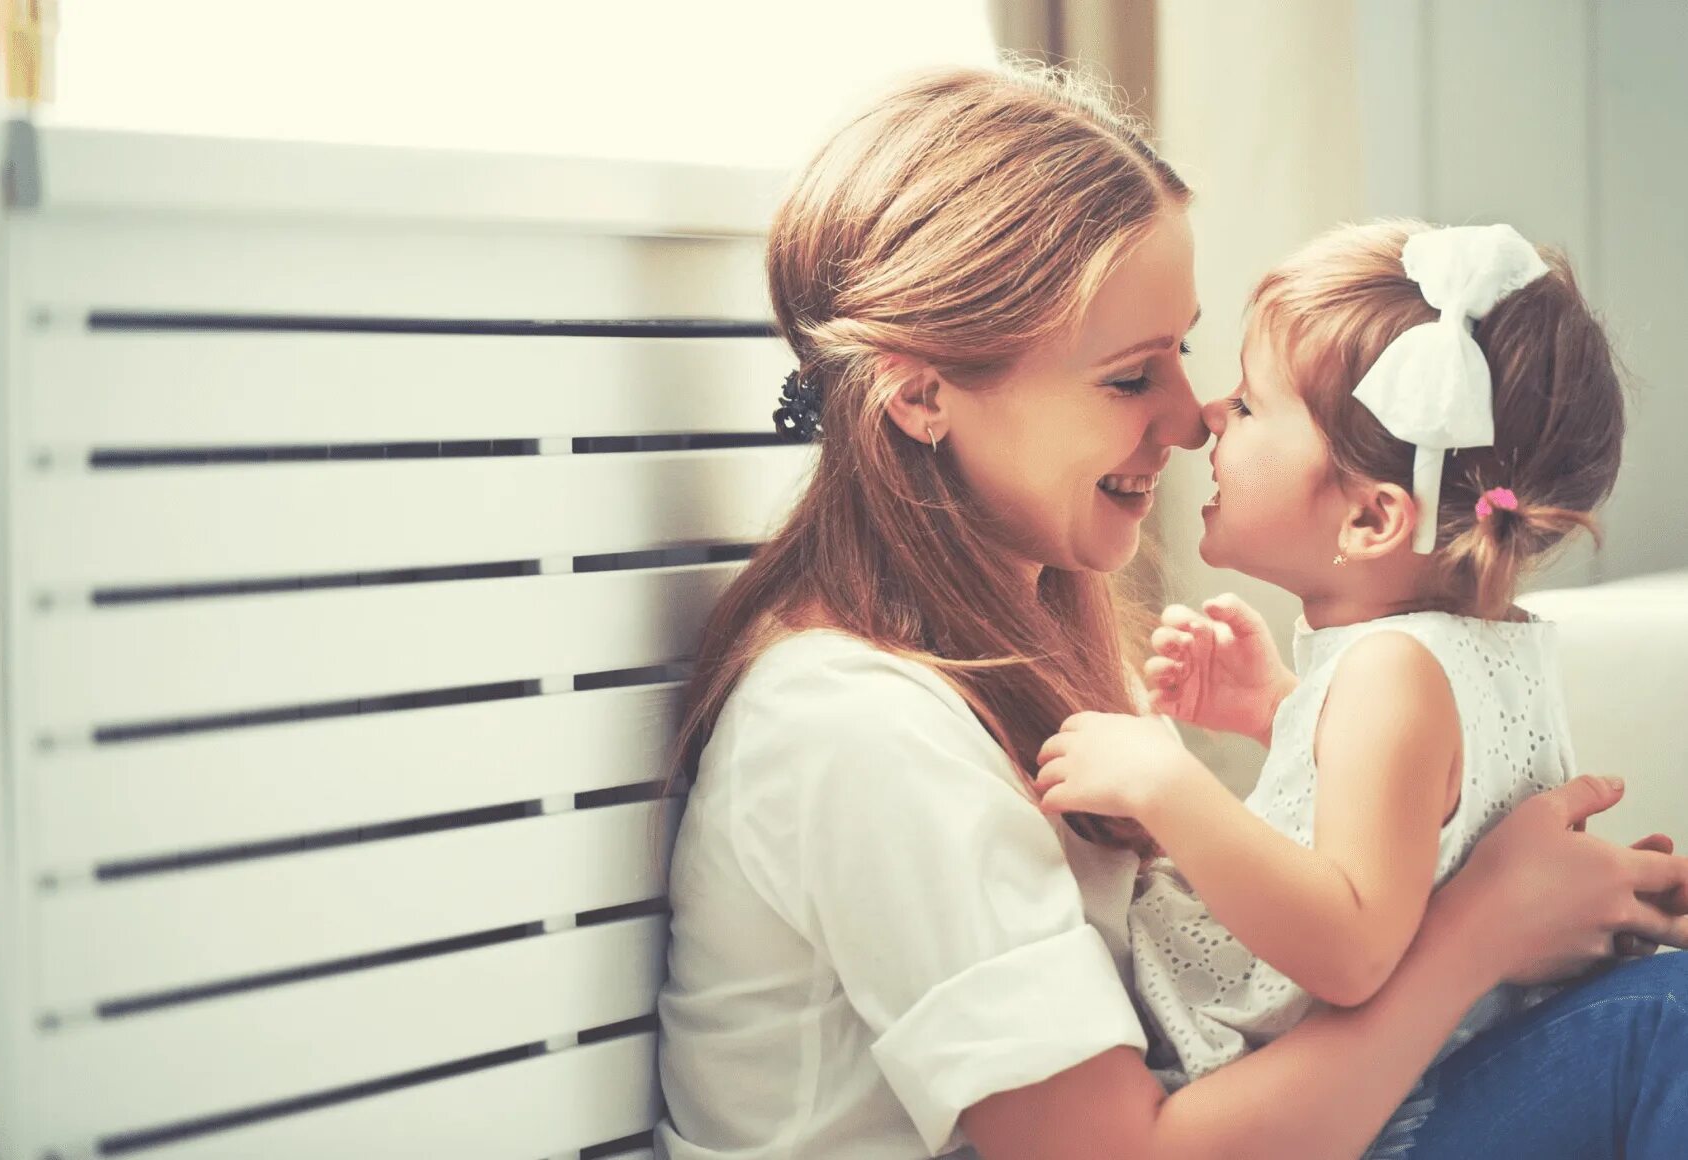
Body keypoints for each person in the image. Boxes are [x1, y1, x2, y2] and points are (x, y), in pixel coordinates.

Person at [654, 64, 1688, 1160]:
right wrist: (1480, 929)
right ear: (919, 395)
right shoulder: (859, 730)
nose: (1193, 421)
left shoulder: (1009, 655)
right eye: (1125, 376)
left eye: (1182, 353)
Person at [1034, 220, 1624, 1093]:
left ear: (1370, 518)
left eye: (1247, 404)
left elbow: (1349, 950)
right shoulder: (1483, 650)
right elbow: (1424, 828)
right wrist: (1282, 711)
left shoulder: (1389, 674)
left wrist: (1168, 786)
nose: (1206, 416)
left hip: (1288, 1086)